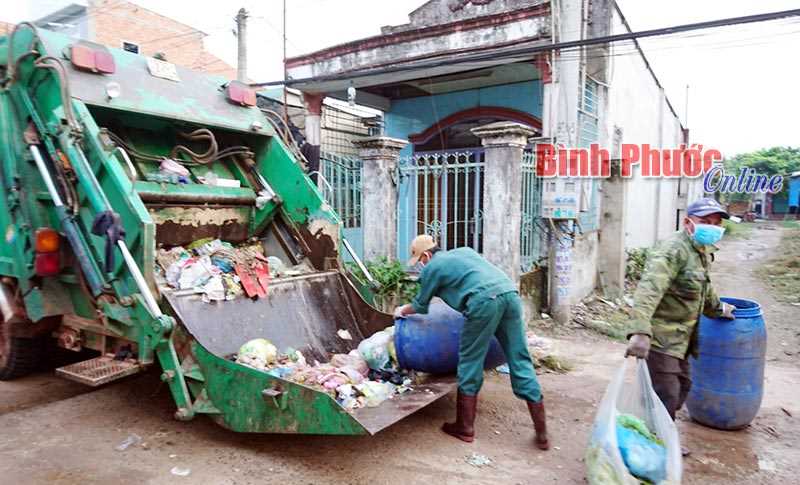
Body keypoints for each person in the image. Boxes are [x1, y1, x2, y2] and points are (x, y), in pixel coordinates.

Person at [394, 235, 549, 450]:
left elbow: (421, 306)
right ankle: (542, 433)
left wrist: (401, 311)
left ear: (427, 255)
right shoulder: (464, 252)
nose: (421, 265)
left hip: (483, 302)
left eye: (420, 260)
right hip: (510, 294)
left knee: (470, 360)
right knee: (519, 356)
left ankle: (465, 427)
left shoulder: (433, 267)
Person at [626, 197, 736, 428]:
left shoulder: (701, 249)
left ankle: (656, 431)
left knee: (682, 387)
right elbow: (649, 290)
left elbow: (703, 287)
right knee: (666, 394)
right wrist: (640, 331)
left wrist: (719, 309)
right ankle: (657, 440)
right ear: (688, 222)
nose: (712, 228)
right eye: (705, 221)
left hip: (683, 340)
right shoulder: (672, 251)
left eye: (716, 223)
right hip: (661, 339)